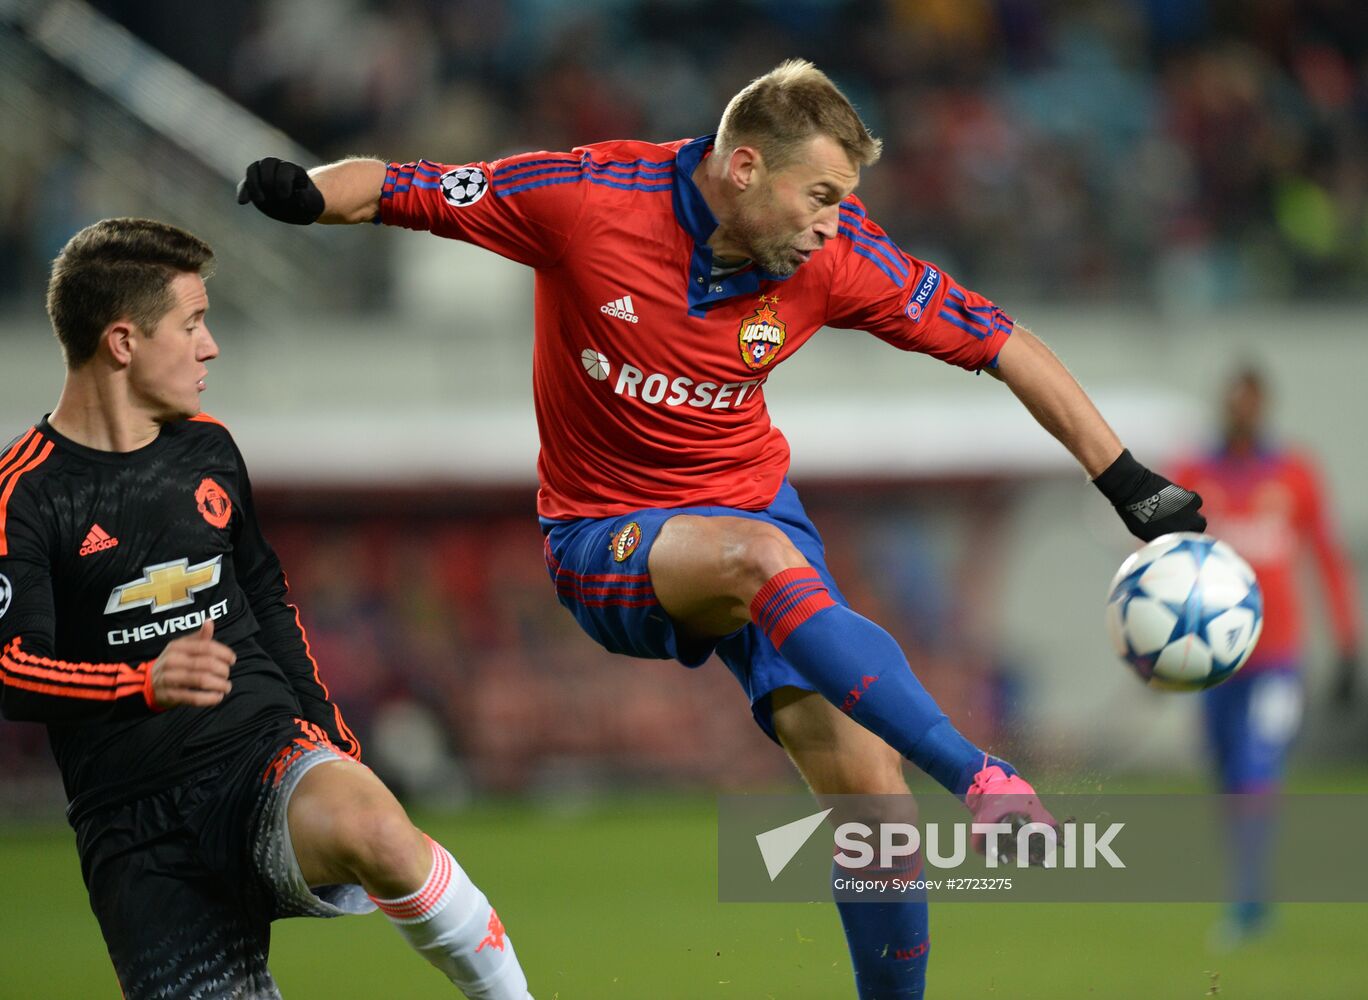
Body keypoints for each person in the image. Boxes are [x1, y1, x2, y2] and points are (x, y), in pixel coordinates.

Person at [238, 60, 1206, 998]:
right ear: (744, 165)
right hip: (606, 537)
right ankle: (980, 774)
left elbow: (1003, 343)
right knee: (759, 557)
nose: (832, 222)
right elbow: (402, 189)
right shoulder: (586, 198)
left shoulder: (838, 257)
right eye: (819, 193)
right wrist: (306, 195)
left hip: (750, 515)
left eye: (843, 199)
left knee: (877, 814)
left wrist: (1124, 479)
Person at [0, 218, 534, 1000]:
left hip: (259, 757)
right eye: (191, 324)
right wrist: (141, 683)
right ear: (122, 341)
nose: (210, 346)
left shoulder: (209, 449)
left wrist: (332, 737)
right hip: (137, 832)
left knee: (379, 832)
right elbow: (13, 670)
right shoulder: (26, 493)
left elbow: (266, 599)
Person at [1170, 366, 1361, 946]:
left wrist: (1348, 643)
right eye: (1235, 403)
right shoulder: (1193, 473)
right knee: (1228, 772)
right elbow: (1166, 562)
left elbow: (1326, 556)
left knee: (1258, 764)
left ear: (1264, 406)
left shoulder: (1295, 472)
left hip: (1278, 655)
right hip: (1215, 662)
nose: (1242, 413)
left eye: (1251, 403)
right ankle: (1248, 888)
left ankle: (1250, 901)